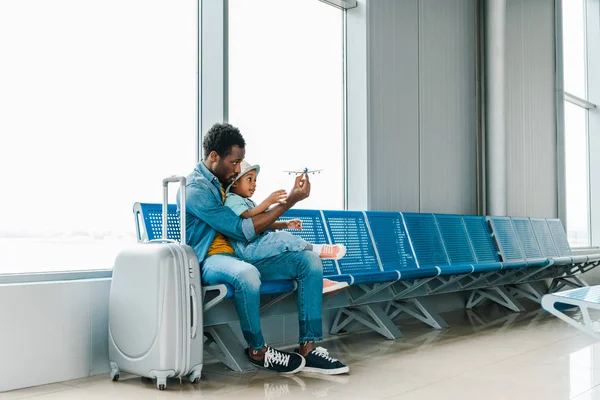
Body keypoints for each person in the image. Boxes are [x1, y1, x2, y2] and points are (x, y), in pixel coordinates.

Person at [179, 122, 349, 375]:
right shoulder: (196, 190)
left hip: (242, 255)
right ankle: (257, 351)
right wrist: (289, 201)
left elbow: (251, 225)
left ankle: (309, 349)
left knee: (309, 261)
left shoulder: (222, 181)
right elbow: (240, 228)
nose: (237, 169)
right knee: (247, 274)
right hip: (212, 260)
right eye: (234, 163)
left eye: (240, 163)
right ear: (214, 157)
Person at [224, 160, 350, 295]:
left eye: (255, 180)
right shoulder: (232, 199)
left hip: (257, 246)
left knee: (294, 253)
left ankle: (317, 281)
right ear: (235, 182)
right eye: (249, 179)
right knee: (284, 238)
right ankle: (317, 249)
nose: (254, 184)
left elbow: (263, 222)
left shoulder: (248, 202)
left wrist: (285, 224)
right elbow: (247, 216)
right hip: (248, 249)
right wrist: (268, 201)